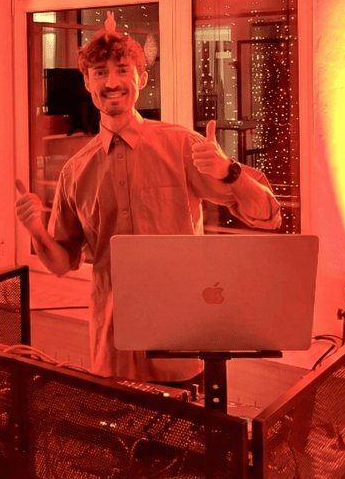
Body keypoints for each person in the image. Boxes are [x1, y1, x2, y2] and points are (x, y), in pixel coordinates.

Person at [15, 23, 281, 385]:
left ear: (141, 78)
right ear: (88, 83)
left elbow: (268, 216)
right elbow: (62, 263)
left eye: (122, 70)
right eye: (100, 73)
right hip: (113, 353)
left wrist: (229, 171)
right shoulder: (75, 171)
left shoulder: (182, 146)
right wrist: (35, 231)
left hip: (180, 346)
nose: (111, 82)